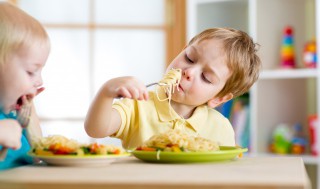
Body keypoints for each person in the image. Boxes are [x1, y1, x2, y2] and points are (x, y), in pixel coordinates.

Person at [85, 27, 261, 150]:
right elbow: (96, 129)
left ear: (219, 98)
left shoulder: (220, 127)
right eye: (190, 58)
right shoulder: (138, 105)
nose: (189, 72)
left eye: (206, 77)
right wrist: (107, 91)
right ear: (183, 50)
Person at [0, 2, 50, 170]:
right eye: (30, 72)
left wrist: (31, 123)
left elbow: (37, 159)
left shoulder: (12, 114)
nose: (40, 81)